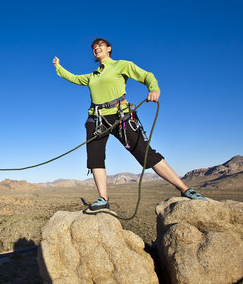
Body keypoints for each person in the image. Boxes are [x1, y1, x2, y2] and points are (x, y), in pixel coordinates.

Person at [53, 38, 206, 212]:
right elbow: (73, 78)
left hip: (121, 116)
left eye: (100, 46)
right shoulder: (93, 76)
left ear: (109, 48)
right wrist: (58, 67)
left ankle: (185, 189)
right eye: (94, 48)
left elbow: (147, 75)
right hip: (96, 119)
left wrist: (154, 89)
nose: (96, 49)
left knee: (145, 152)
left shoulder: (121, 65)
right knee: (95, 158)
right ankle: (103, 199)